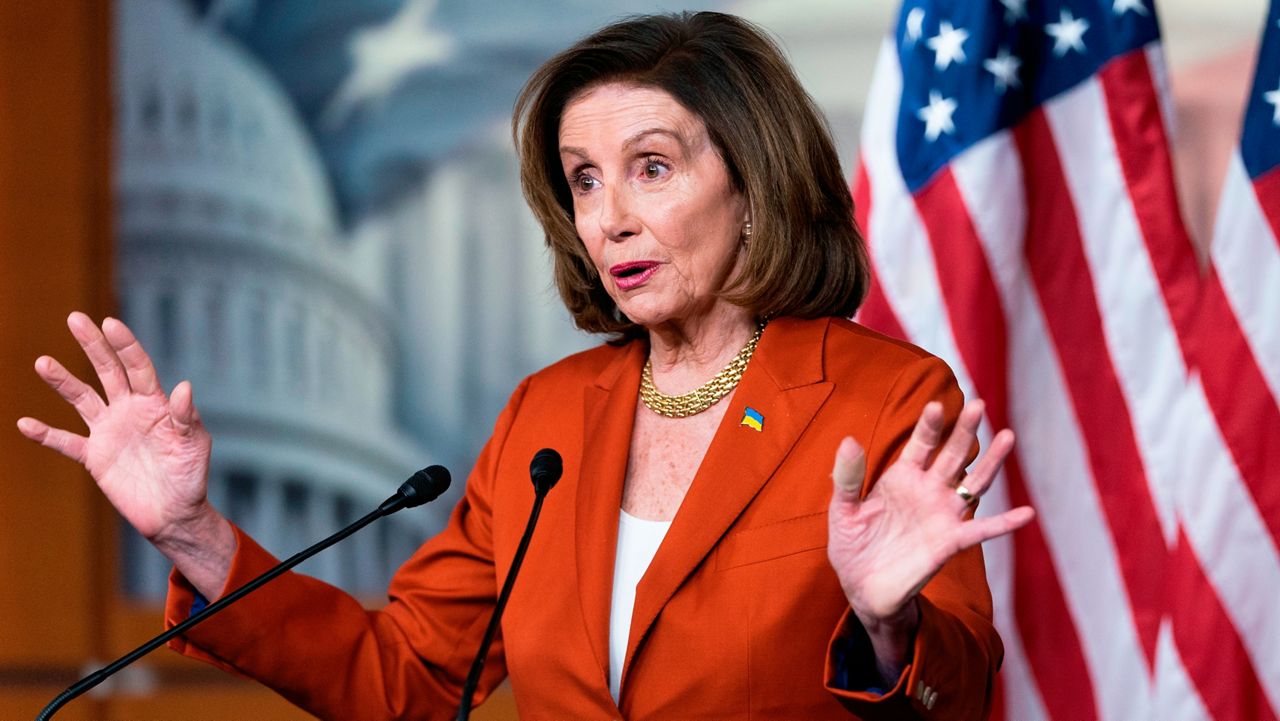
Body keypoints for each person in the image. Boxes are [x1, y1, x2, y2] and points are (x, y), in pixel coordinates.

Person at [17, 11, 1034, 721]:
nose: (609, 216)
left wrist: (888, 625)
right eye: (583, 181)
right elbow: (407, 679)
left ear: (757, 188)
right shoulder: (548, 416)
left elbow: (960, 697)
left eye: (650, 168)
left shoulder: (884, 399)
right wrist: (193, 534)